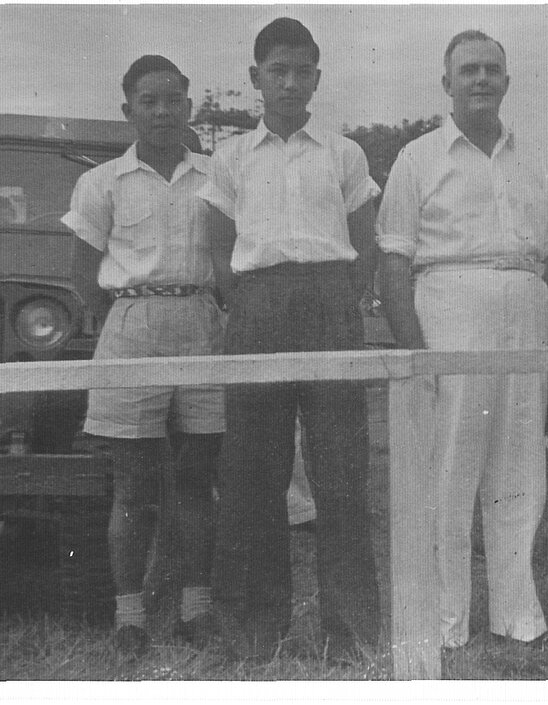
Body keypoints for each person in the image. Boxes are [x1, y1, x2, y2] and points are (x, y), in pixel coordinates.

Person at [376, 29, 548, 650]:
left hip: (524, 310)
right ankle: (447, 620)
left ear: (508, 83)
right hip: (449, 308)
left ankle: (517, 613)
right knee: (451, 469)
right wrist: (418, 352)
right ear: (448, 84)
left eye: (492, 69)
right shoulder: (417, 158)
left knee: (519, 467)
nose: (482, 79)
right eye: (469, 70)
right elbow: (392, 259)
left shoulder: (531, 159)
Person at [199, 17, 380, 661]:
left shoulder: (344, 152)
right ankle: (256, 629)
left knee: (340, 469)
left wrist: (340, 303)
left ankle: (351, 629)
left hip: (329, 304)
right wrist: (245, 307)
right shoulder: (229, 158)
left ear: (316, 79)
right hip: (257, 308)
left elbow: (364, 240)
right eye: (278, 70)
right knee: (254, 471)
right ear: (256, 79)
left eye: (302, 70)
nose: (290, 82)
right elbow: (218, 252)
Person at [64, 55, 224, 658]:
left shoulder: (215, 172)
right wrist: (125, 323)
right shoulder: (101, 180)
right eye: (148, 101)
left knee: (195, 476)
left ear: (188, 108)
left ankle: (195, 608)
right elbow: (82, 272)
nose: (162, 111)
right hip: (130, 323)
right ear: (128, 109)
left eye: (173, 100)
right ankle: (129, 615)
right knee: (132, 483)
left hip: (201, 321)